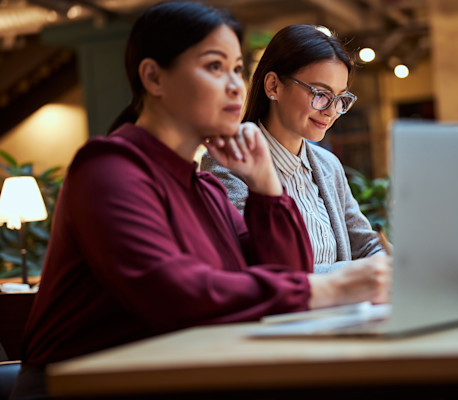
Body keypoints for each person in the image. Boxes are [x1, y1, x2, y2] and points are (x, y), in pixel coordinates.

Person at [9, 3, 390, 399]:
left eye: (238, 70)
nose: (235, 86)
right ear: (154, 77)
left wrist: (266, 186)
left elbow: (283, 278)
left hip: (162, 378)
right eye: (214, 67)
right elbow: (172, 295)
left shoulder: (203, 189)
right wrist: (333, 287)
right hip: (79, 387)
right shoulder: (106, 169)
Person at [201, 24, 385, 274]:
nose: (331, 111)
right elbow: (255, 265)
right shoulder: (229, 162)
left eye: (341, 98)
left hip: (343, 310)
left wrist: (392, 262)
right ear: (273, 86)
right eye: (320, 94)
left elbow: (366, 246)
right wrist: (353, 274)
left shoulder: (328, 165)